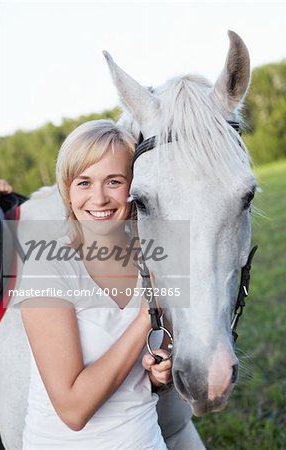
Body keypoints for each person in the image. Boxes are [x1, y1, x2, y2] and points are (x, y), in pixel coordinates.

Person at [12, 120, 172, 449]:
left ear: (132, 188)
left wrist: (159, 375)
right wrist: (146, 317)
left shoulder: (153, 262)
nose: (98, 198)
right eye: (84, 182)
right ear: (68, 192)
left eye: (113, 181)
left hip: (145, 440)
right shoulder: (48, 266)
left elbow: (143, 378)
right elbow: (73, 409)